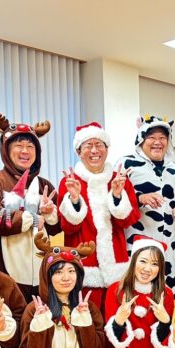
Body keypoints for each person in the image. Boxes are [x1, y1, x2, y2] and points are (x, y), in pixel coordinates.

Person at [57, 122, 141, 310]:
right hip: (84, 264)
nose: (94, 150)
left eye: (99, 145)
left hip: (116, 262)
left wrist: (117, 195)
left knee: (116, 316)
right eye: (88, 145)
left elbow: (128, 221)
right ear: (79, 152)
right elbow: (68, 227)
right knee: (85, 318)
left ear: (107, 149)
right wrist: (75, 200)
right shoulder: (69, 182)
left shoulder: (119, 180)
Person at [0, 114, 61, 300]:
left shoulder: (44, 184)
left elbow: (56, 229)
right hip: (5, 273)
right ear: (6, 150)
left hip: (41, 274)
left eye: (30, 146)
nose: (25, 150)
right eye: (19, 145)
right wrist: (33, 218)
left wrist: (50, 214)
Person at [119, 115, 175, 298]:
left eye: (162, 138)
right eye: (151, 137)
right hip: (138, 244)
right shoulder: (127, 164)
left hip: (170, 245)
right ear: (141, 139)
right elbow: (114, 198)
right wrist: (139, 198)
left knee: (167, 293)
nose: (157, 142)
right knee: (137, 294)